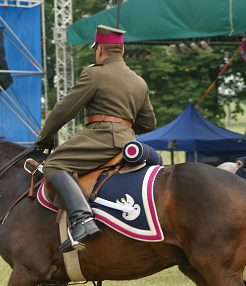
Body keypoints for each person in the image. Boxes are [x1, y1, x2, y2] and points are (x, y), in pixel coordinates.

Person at [35, 25, 157, 253]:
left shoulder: (94, 73)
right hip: (128, 142)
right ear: (122, 50)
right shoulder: (139, 81)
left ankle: (83, 220)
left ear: (99, 49)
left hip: (101, 138)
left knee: (53, 164)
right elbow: (149, 124)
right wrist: (124, 124)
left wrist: (46, 136)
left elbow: (65, 109)